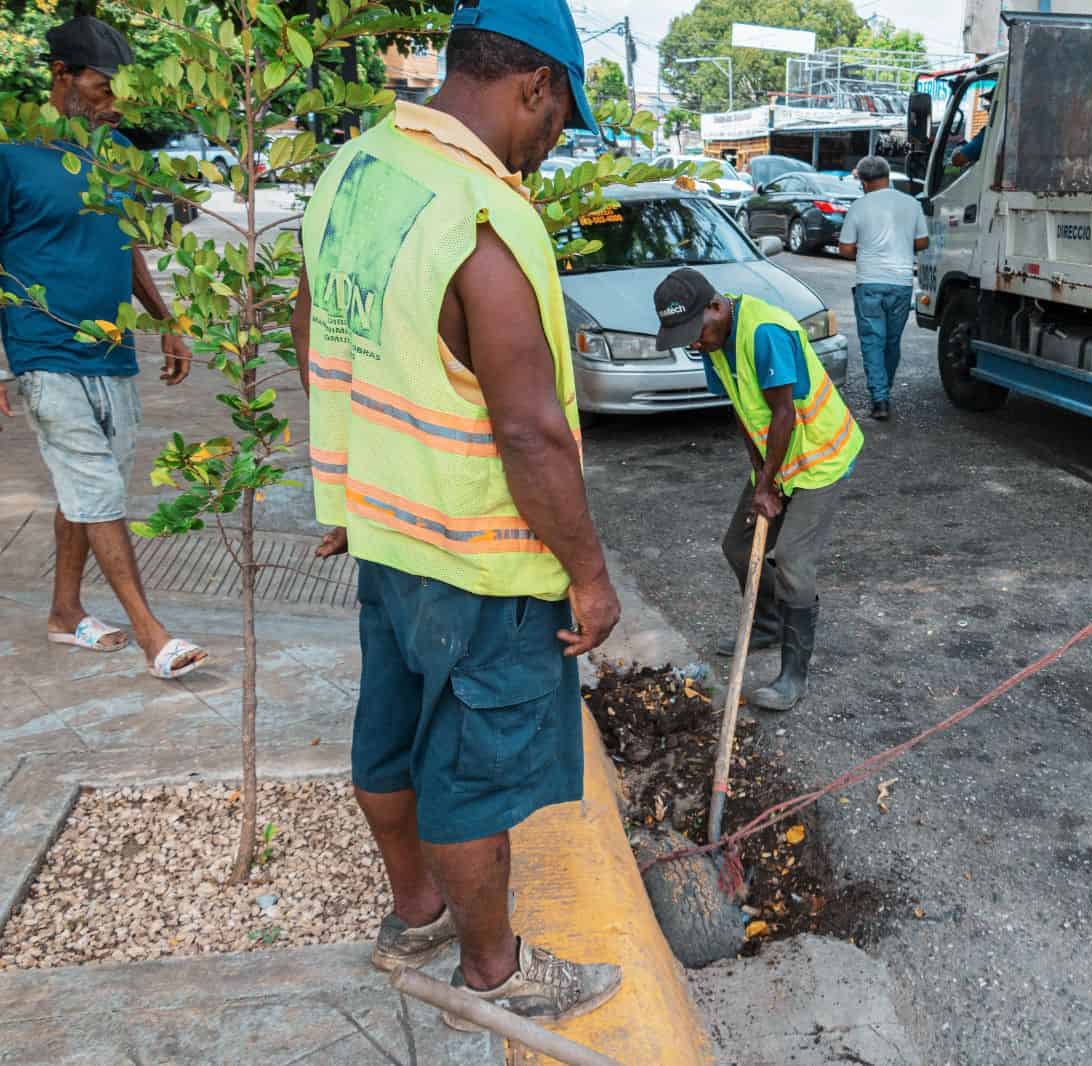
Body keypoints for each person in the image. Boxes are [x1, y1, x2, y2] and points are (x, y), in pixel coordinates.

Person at [292, 0, 624, 1029]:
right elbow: (528, 430)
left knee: (387, 741)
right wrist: (590, 573)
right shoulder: (482, 214)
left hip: (386, 533)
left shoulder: (358, 171)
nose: (552, 143)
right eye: (560, 117)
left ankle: (414, 912)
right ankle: (492, 974)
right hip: (482, 560)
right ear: (535, 85)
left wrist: (344, 486)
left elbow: (319, 328)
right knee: (471, 779)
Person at [0, 15, 205, 680]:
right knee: (96, 487)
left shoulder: (111, 158)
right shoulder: (12, 155)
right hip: (43, 350)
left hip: (113, 353)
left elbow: (128, 247)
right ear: (61, 77)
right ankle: (155, 636)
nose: (116, 100)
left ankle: (65, 613)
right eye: (103, 84)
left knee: (86, 490)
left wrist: (166, 317)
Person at [653, 267, 863, 711]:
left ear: (715, 306)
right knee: (737, 545)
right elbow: (744, 408)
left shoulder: (764, 331)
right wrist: (760, 477)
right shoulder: (713, 341)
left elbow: (783, 413)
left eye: (695, 331)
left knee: (791, 560)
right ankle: (766, 624)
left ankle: (793, 676)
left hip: (820, 456)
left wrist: (768, 487)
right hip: (779, 460)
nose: (694, 342)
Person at [839, 155, 928, 421]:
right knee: (891, 341)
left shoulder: (859, 206)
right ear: (888, 176)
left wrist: (863, 248)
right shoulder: (911, 204)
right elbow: (922, 242)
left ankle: (880, 399)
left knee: (872, 342)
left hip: (870, 283)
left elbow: (845, 249)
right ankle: (883, 390)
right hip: (901, 283)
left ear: (864, 183)